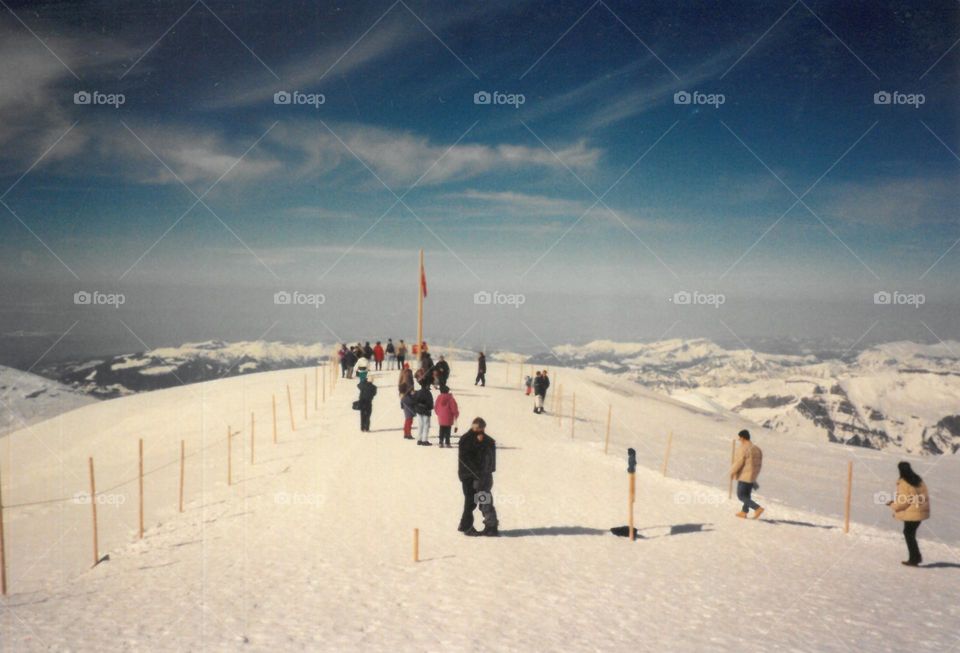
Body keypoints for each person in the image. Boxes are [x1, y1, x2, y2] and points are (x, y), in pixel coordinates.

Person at [458, 417, 498, 537]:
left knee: (481, 501)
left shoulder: (486, 441)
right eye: (475, 428)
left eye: (478, 429)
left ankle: (489, 526)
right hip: (473, 476)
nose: (477, 431)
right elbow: (467, 458)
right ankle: (469, 526)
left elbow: (487, 461)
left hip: (480, 477)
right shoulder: (469, 440)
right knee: (473, 502)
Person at [887, 461, 930, 566]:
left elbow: (904, 502)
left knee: (908, 534)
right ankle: (915, 557)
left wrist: (892, 504)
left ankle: (914, 558)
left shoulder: (904, 483)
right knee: (910, 534)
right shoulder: (918, 480)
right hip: (919, 512)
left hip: (911, 513)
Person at [730, 429, 764, 519]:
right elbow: (759, 464)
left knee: (741, 495)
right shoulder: (757, 449)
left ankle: (757, 508)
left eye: (740, 438)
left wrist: (732, 471)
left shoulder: (743, 448)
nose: (739, 440)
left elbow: (739, 462)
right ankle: (744, 512)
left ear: (743, 437)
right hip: (752, 476)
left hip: (744, 476)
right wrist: (755, 474)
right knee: (747, 495)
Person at [413, 379, 434, 446]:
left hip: (419, 411)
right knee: (426, 426)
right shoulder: (428, 393)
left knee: (420, 425)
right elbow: (430, 403)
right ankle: (424, 440)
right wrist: (430, 408)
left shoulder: (418, 392)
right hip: (426, 411)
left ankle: (419, 439)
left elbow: (415, 401)